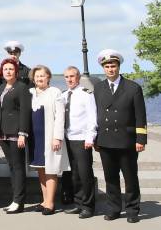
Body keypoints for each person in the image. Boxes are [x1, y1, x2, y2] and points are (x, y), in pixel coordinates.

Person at [94, 50, 147, 223]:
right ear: (103, 68)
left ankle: (132, 210)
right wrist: (95, 138)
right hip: (106, 140)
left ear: (119, 67)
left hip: (127, 141)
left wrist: (141, 139)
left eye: (113, 66)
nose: (110, 69)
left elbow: (140, 115)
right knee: (110, 178)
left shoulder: (133, 88)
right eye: (107, 66)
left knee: (130, 178)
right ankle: (114, 209)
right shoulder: (98, 88)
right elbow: (94, 115)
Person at [28, 65, 69, 214]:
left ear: (48, 78)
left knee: (50, 170)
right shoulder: (31, 93)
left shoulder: (55, 92)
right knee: (41, 169)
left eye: (42, 76)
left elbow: (60, 117)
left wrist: (57, 137)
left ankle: (50, 203)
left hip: (49, 137)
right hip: (35, 138)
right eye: (37, 76)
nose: (39, 78)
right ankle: (44, 200)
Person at [0, 56, 31, 214]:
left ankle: (19, 201)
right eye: (5, 69)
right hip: (3, 134)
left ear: (16, 71)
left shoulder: (21, 87)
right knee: (12, 167)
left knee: (18, 168)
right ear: (1, 72)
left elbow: (25, 111)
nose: (8, 71)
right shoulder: (2, 87)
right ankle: (14, 199)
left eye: (11, 69)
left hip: (16, 134)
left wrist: (23, 133)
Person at [61, 65, 97, 218]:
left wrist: (90, 138)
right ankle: (78, 203)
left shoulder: (86, 94)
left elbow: (92, 118)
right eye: (67, 77)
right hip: (68, 139)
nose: (69, 79)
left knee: (85, 174)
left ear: (78, 77)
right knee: (74, 174)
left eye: (72, 76)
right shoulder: (63, 95)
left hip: (82, 140)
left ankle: (88, 207)